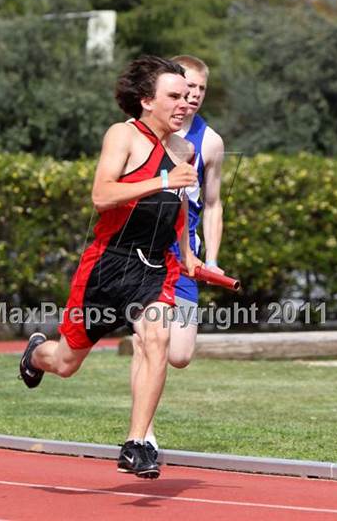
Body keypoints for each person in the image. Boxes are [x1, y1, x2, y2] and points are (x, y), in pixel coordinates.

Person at [18, 55, 202, 479]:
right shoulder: (124, 135)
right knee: (66, 363)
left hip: (153, 268)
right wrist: (161, 180)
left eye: (187, 96)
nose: (184, 104)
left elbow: (174, 209)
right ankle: (36, 353)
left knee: (156, 338)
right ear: (145, 101)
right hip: (107, 265)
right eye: (173, 96)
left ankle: (138, 444)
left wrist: (186, 250)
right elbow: (102, 195)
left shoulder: (184, 149)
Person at [131, 55, 225, 457]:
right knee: (150, 340)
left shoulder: (210, 142)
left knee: (181, 354)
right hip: (146, 254)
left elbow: (215, 203)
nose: (194, 96)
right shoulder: (144, 134)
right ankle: (142, 433)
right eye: (188, 88)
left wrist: (213, 258)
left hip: (186, 258)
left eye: (201, 89)